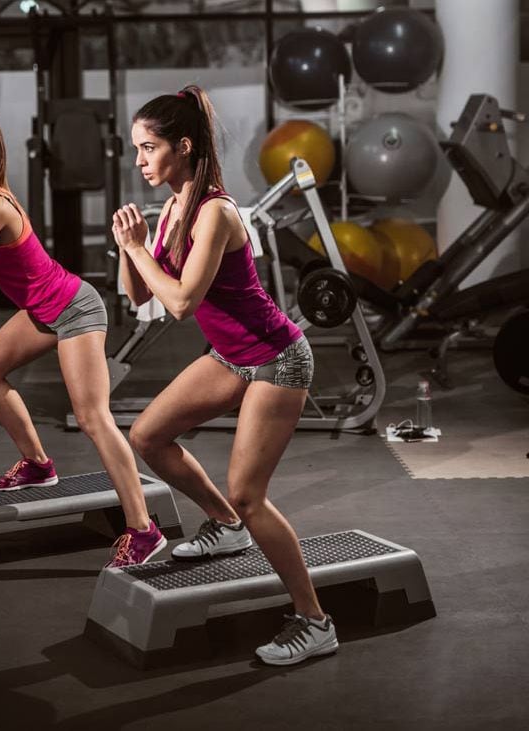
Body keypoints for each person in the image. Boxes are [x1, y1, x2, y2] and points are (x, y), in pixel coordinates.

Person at [111, 86, 338, 665]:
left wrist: (140, 251)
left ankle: (314, 623)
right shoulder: (168, 211)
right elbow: (138, 295)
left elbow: (182, 302)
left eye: (147, 147)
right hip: (231, 357)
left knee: (251, 492)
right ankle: (224, 524)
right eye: (134, 148)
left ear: (182, 147)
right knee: (147, 436)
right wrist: (126, 246)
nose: (137, 159)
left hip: (277, 358)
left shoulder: (216, 212)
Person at [0, 113, 165, 568]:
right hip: (42, 310)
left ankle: (144, 531)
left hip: (75, 308)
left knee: (92, 418)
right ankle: (37, 465)